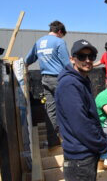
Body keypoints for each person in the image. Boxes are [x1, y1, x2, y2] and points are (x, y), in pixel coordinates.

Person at [55, 39, 107, 181]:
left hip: (85, 155)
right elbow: (81, 124)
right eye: (81, 56)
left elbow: (91, 117)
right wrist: (102, 145)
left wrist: (102, 139)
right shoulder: (69, 84)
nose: (87, 60)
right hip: (79, 160)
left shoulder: (81, 80)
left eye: (91, 57)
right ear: (72, 59)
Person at [25, 20, 70, 149]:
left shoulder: (39, 42)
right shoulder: (59, 42)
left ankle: (53, 141)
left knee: (51, 112)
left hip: (45, 80)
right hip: (59, 80)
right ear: (60, 31)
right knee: (67, 109)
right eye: (62, 34)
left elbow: (28, 60)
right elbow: (67, 64)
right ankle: (70, 140)